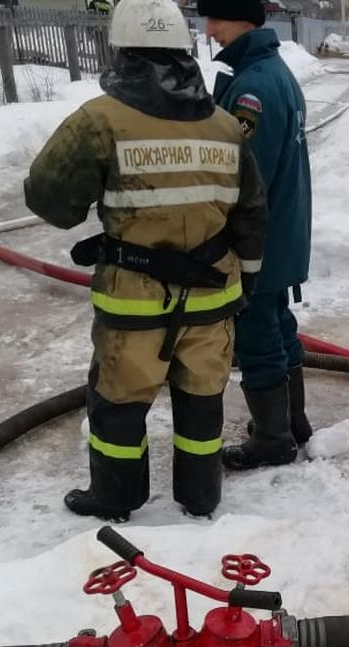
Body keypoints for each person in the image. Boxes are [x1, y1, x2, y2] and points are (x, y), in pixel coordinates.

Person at [25, 0, 267, 521]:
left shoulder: (98, 121)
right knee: (202, 399)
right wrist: (245, 281)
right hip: (212, 297)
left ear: (122, 49)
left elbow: (49, 201)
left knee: (120, 403)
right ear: (185, 51)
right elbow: (251, 212)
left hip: (133, 300)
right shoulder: (227, 128)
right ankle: (200, 497)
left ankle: (116, 497)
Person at [198, 0, 315, 469]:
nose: (209, 29)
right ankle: (292, 422)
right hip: (282, 230)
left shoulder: (254, 87)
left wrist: (220, 235)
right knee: (278, 325)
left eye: (217, 18)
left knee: (256, 333)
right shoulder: (270, 71)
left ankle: (273, 438)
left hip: (261, 237)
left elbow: (245, 177)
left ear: (243, 19)